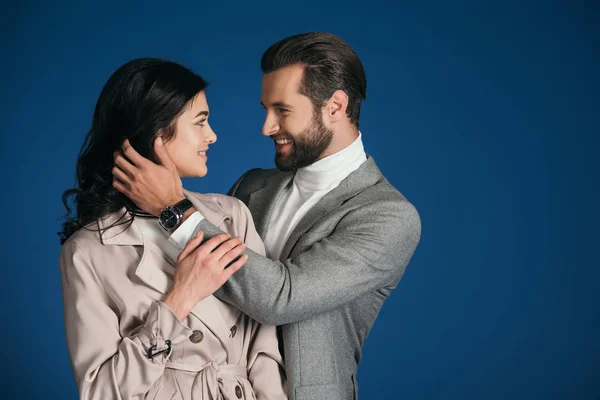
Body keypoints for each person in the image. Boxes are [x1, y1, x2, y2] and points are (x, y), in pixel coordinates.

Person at [114, 32, 421, 400]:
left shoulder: (388, 216)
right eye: (265, 109)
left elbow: (282, 298)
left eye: (283, 110)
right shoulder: (251, 187)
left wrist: (174, 209)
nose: (267, 127)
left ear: (336, 106)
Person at [58, 58, 286, 400]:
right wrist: (180, 299)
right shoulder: (89, 251)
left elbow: (264, 349)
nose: (212, 135)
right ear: (158, 134)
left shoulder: (230, 215)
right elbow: (101, 392)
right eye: (201, 122)